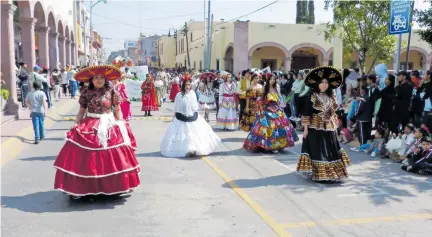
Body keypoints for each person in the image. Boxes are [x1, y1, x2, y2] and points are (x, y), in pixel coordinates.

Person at [53, 65, 140, 199]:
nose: (99, 80)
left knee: (113, 154)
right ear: (91, 80)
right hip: (90, 122)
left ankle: (116, 186)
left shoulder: (111, 90)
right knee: (87, 156)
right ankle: (87, 187)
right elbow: (81, 112)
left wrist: (120, 122)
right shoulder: (86, 92)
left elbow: (117, 109)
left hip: (109, 123)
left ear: (105, 79)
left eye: (101, 77)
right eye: (96, 78)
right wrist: (76, 123)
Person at [297, 66, 351, 181]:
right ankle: (319, 173)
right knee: (318, 150)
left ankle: (332, 173)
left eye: (326, 82)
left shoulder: (331, 96)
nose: (324, 84)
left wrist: (335, 126)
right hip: (315, 126)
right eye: (322, 82)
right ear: (317, 84)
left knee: (330, 150)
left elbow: (334, 112)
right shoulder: (312, 96)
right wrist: (305, 129)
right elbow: (306, 113)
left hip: (329, 127)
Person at [160, 76, 221, 157]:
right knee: (183, 135)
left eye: (189, 85)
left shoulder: (192, 93)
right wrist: (174, 117)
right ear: (183, 85)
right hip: (181, 118)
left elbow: (195, 107)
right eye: (186, 85)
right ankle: (185, 150)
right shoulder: (179, 95)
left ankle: (193, 150)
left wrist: (196, 114)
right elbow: (176, 107)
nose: (188, 86)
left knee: (193, 135)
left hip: (192, 117)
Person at [244, 74, 298, 153]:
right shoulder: (264, 89)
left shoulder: (276, 88)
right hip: (267, 109)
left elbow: (279, 100)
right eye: (271, 79)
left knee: (281, 126)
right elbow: (259, 100)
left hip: (276, 109)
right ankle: (268, 146)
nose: (272, 81)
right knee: (267, 127)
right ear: (268, 80)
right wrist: (261, 110)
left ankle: (278, 145)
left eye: (274, 79)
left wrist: (280, 106)